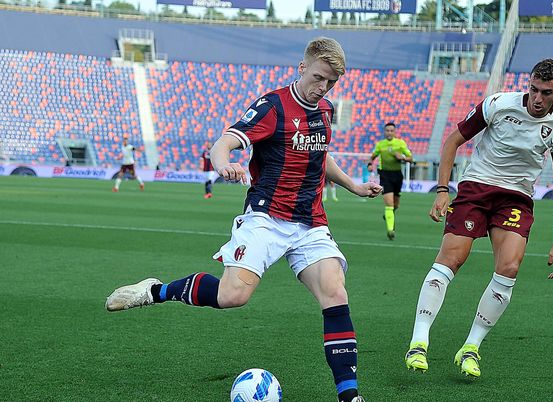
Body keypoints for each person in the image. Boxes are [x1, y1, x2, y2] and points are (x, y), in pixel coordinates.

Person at [105, 37, 379, 402]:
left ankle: (350, 396)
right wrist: (223, 165)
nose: (323, 88)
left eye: (331, 82)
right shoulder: (272, 107)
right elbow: (224, 142)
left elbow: (320, 155)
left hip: (310, 222)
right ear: (302, 68)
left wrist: (352, 186)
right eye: (318, 78)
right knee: (232, 295)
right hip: (266, 217)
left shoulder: (325, 110)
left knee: (335, 291)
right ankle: (156, 291)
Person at [404, 59, 553, 379]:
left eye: (546, 93)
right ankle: (418, 341)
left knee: (509, 267)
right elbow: (453, 140)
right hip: (476, 187)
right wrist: (443, 190)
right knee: (452, 258)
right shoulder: (498, 104)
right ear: (529, 84)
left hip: (517, 198)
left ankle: (471, 347)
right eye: (534, 90)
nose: (538, 98)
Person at [370, 122, 412, 240]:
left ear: (394, 132)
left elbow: (410, 158)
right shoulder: (380, 145)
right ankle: (390, 230)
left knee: (395, 205)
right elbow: (373, 156)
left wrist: (402, 158)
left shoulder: (400, 143)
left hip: (397, 175)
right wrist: (370, 164)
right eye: (387, 130)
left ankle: (388, 215)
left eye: (391, 130)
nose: (389, 132)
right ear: (384, 132)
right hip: (384, 175)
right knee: (389, 204)